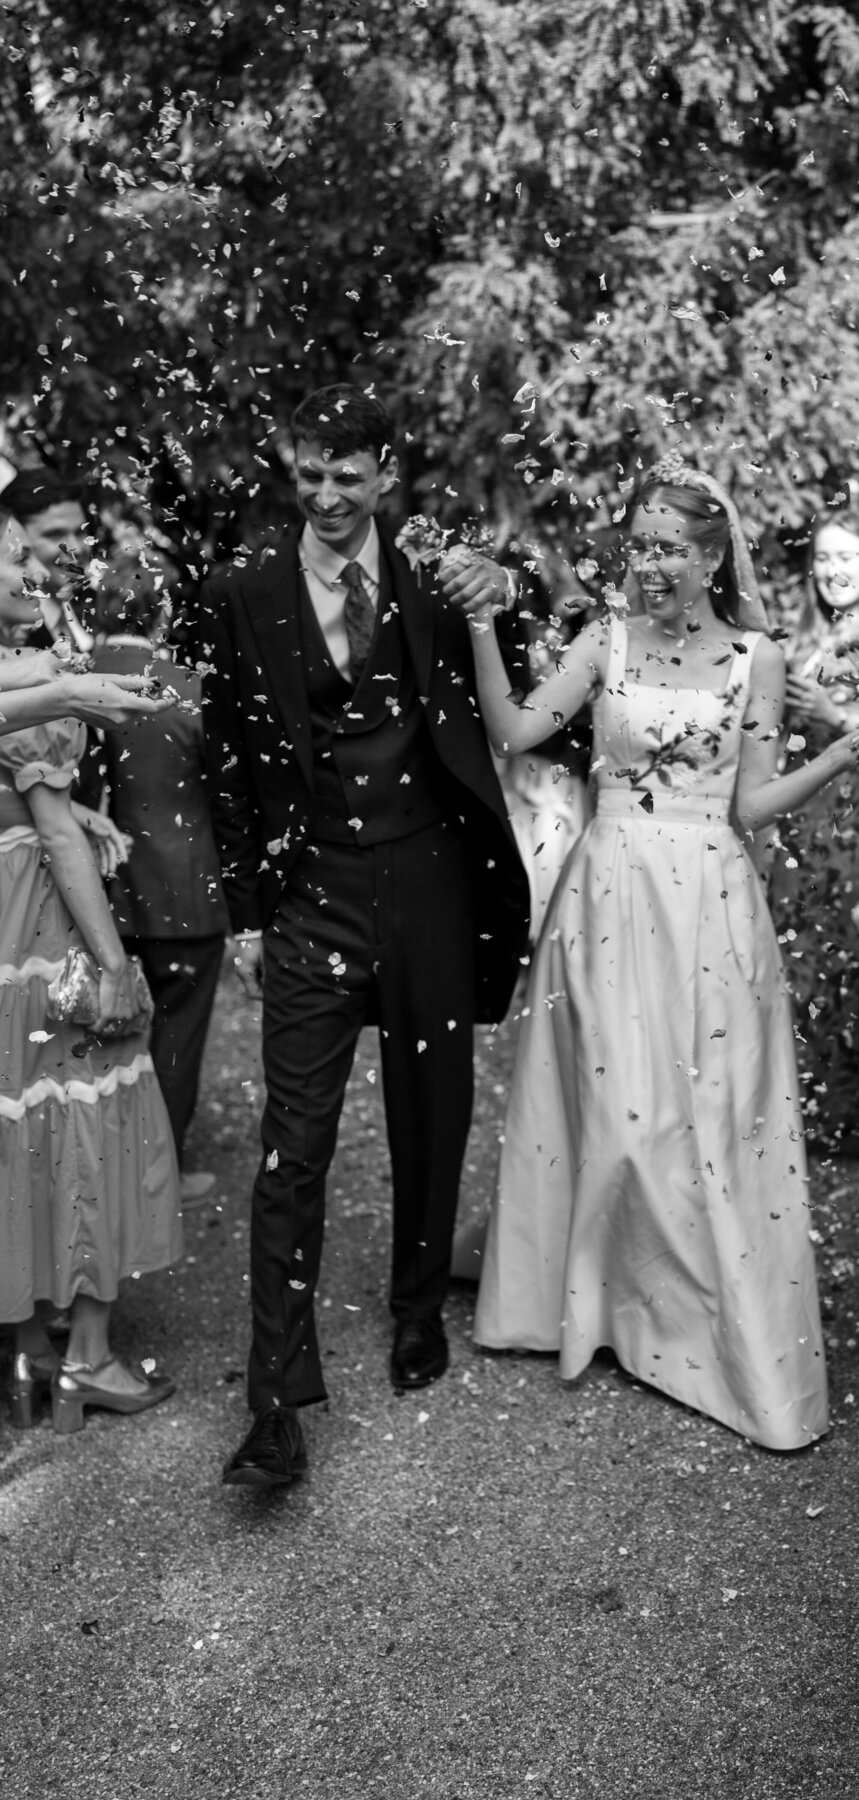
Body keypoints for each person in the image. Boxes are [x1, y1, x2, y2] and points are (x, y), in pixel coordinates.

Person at [449, 458, 859, 1451]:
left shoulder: (757, 658)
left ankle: (701, 1328)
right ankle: (593, 1303)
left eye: (670, 546)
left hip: (711, 899)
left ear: (713, 556)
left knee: (708, 1110)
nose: (649, 562)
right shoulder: (605, 640)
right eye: (638, 544)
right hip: (608, 889)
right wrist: (481, 624)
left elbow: (752, 804)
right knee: (613, 1108)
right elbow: (513, 731)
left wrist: (842, 751)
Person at [198, 383, 528, 1488]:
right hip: (312, 894)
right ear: (290, 469)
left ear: (386, 473)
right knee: (292, 1144)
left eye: (350, 474)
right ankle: (273, 1402)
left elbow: (524, 678)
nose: (329, 494)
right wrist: (248, 917)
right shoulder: (244, 589)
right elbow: (229, 759)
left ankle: (417, 1305)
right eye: (311, 473)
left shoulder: (440, 578)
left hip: (431, 876)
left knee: (433, 1110)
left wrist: (506, 590)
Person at [0, 513, 180, 1434]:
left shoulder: (22, 666)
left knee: (20, 1117)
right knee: (94, 1113)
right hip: (38, 924)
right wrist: (113, 963)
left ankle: (29, 1347)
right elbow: (55, 834)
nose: (31, 567)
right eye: (13, 556)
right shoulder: (32, 682)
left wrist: (80, 812)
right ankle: (88, 1359)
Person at [92, 568, 229, 1207]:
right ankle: (159, 1178)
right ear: (164, 611)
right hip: (185, 892)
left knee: (96, 1034)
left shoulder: (66, 681)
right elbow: (228, 794)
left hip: (94, 892)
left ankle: (92, 1172)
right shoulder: (190, 689)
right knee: (178, 1036)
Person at [772, 508, 859, 1152]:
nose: (832, 569)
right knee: (798, 951)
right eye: (822, 557)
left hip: (854, 817)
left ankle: (855, 1112)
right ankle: (799, 1105)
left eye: (846, 556)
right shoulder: (801, 636)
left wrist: (832, 713)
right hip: (797, 816)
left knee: (850, 952)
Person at [1, 468, 95, 652]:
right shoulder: (15, 637)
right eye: (55, 535)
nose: (76, 547)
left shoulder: (89, 605)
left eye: (80, 532)